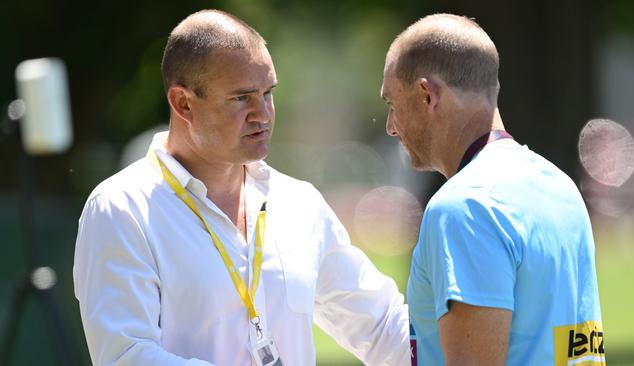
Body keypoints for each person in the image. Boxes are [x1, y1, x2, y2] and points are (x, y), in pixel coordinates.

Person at [73, 9, 410, 366]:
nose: (263, 113)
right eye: (241, 98)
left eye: (268, 93)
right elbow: (126, 356)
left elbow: (382, 327)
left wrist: (463, 346)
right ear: (183, 103)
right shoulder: (120, 209)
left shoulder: (299, 204)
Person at [380, 13, 605, 365]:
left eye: (392, 105)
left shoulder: (463, 207)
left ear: (427, 95)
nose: (391, 127)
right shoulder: (560, 187)